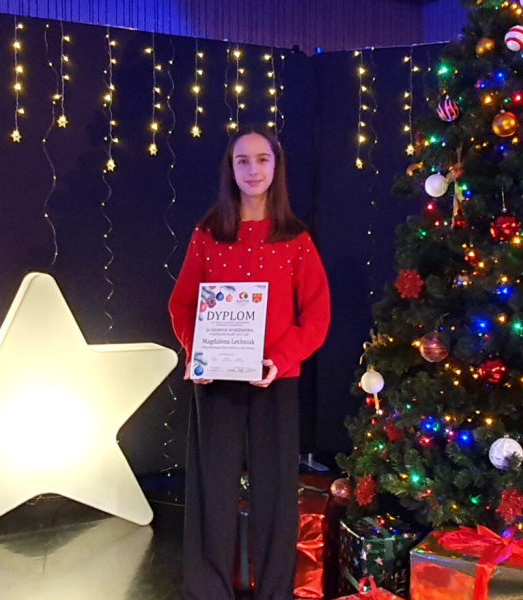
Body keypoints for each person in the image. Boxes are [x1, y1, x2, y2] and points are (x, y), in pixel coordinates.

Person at [168, 125, 331, 600]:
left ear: (276, 168)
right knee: (213, 488)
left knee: (275, 492)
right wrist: (197, 353)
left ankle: (274, 591)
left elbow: (317, 316)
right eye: (243, 160)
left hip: (274, 380)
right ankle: (209, 590)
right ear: (231, 169)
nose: (253, 169)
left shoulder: (295, 239)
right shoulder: (208, 234)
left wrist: (279, 359)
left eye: (262, 159)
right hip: (216, 380)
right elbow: (182, 304)